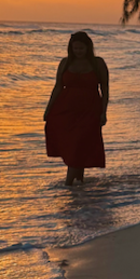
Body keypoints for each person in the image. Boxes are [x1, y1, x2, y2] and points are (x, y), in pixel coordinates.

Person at [43, 31, 108, 185]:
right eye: (75, 48)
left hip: (90, 110)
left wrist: (104, 112)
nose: (78, 51)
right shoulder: (65, 63)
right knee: (73, 145)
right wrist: (48, 109)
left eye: (81, 48)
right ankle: (78, 183)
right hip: (66, 110)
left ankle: (68, 185)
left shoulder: (97, 63)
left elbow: (105, 89)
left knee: (80, 145)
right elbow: (58, 87)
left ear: (88, 48)